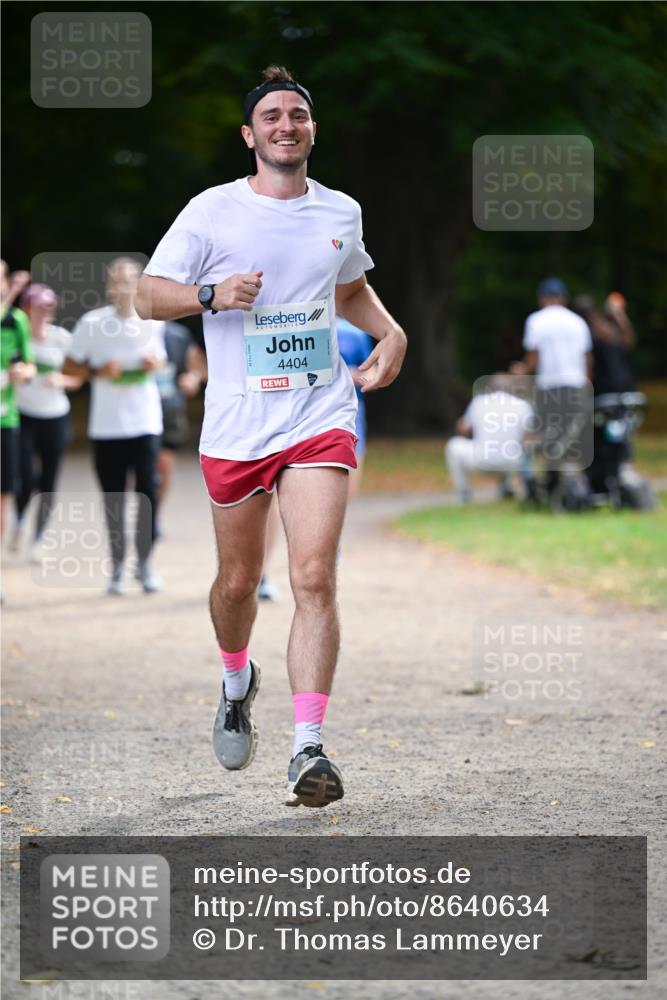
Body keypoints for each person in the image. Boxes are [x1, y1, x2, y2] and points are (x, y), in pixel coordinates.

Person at [137, 65, 407, 807]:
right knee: (235, 584)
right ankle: (235, 679)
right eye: (272, 117)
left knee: (313, 576)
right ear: (250, 135)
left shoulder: (340, 211)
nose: (285, 125)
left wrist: (390, 332)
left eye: (297, 114)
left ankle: (308, 749)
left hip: (319, 414)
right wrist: (210, 294)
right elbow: (146, 294)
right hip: (236, 423)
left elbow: (345, 286)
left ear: (311, 129)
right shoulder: (211, 212)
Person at [63, 258, 166, 595]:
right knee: (114, 499)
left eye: (129, 282)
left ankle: (146, 564)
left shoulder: (154, 320)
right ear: (109, 287)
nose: (123, 288)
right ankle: (118, 566)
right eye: (117, 282)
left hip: (146, 422)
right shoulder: (92, 323)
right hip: (106, 426)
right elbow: (69, 367)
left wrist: (155, 365)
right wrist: (97, 373)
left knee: (147, 495)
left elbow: (162, 360)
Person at [11, 284, 81, 561]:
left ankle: (39, 538)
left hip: (55, 416)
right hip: (24, 415)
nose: (45, 312)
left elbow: (78, 376)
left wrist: (61, 380)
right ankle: (18, 521)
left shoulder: (62, 338)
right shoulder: (17, 337)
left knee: (49, 480)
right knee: (25, 477)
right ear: (26, 309)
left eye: (49, 307)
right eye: (39, 306)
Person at [522, 277, 593, 493]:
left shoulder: (536, 320)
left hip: (550, 385)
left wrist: (523, 371)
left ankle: (551, 483)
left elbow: (533, 355)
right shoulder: (577, 322)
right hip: (576, 384)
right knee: (573, 434)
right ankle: (573, 483)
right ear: (564, 298)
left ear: (542, 298)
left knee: (547, 433)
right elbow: (587, 358)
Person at [445, 373, 535, 503]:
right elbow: (530, 436)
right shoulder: (523, 405)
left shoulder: (479, 402)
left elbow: (463, 428)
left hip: (482, 461)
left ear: (490, 388)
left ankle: (464, 492)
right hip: (513, 463)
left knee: (453, 445)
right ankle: (525, 489)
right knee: (522, 448)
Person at [155, 320, 207, 514]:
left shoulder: (178, 334)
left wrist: (192, 378)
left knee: (163, 466)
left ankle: (154, 516)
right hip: (133, 412)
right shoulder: (129, 331)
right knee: (139, 469)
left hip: (169, 409)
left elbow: (198, 367)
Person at [1, 262, 35, 546]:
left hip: (5, 419)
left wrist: (23, 372)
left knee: (3, 494)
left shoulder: (16, 320)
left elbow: (30, 365)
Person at [336, 315, 374, 495]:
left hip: (352, 406)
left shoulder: (354, 333)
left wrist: (354, 376)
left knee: (354, 455)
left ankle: (350, 508)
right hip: (313, 406)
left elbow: (371, 373)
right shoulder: (305, 326)